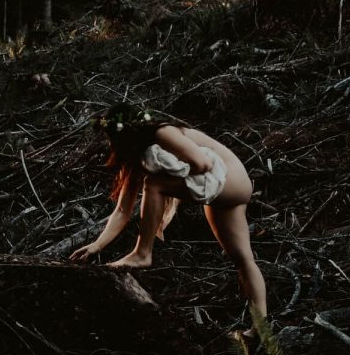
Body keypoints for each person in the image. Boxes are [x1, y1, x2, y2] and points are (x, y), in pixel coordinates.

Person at [69, 103, 267, 317]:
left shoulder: (162, 132)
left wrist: (169, 171)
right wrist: (96, 245)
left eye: (112, 137)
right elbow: (122, 211)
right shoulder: (138, 152)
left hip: (230, 180)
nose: (111, 143)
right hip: (228, 190)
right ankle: (260, 328)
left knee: (154, 184)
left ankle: (142, 253)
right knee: (243, 260)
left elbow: (202, 164)